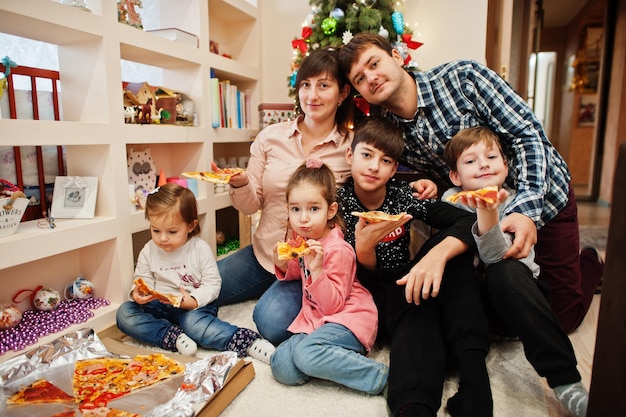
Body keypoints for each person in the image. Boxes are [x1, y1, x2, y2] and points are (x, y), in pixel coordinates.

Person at [337, 32, 604, 334]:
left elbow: (527, 135)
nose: (371, 77)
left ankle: (590, 261)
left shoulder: (464, 79)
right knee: (502, 310)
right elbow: (426, 173)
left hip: (542, 196)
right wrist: (430, 185)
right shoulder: (388, 128)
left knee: (561, 319)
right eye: (360, 78)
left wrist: (526, 210)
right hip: (486, 218)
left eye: (374, 64)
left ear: (397, 57)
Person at [337, 117, 491, 416]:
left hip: (401, 283)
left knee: (438, 277)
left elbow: (467, 221)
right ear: (350, 156)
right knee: (419, 313)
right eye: (366, 155)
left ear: (395, 169)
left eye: (385, 160)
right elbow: (340, 270)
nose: (373, 167)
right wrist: (364, 250)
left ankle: (460, 390)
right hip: (358, 290)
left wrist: (436, 255)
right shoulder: (337, 203)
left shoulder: (401, 197)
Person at [441, 126, 588, 417]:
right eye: (470, 161)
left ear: (506, 166)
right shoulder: (451, 199)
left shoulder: (518, 204)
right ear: (455, 177)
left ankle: (566, 382)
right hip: (471, 314)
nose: (483, 164)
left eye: (491, 157)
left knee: (505, 271)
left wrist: (488, 211)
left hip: (515, 301)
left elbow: (496, 256)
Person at [213, 47, 356, 345]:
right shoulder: (270, 137)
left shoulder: (352, 147)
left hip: (313, 266)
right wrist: (240, 183)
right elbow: (251, 203)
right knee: (202, 287)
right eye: (306, 84)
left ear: (343, 93)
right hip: (264, 254)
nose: (312, 95)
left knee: (271, 322)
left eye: (323, 85)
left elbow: (369, 191)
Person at [116, 183, 275, 362]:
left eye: (172, 231)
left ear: (191, 225)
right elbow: (143, 277)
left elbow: (213, 284)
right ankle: (171, 336)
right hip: (159, 304)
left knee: (195, 326)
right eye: (155, 230)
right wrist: (139, 292)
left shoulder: (199, 249)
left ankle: (247, 342)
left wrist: (194, 300)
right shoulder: (149, 249)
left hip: (192, 306)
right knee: (124, 313)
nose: (162, 238)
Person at [269, 159, 388, 395]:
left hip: (348, 319)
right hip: (315, 321)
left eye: (313, 209)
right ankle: (328, 357)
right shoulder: (302, 241)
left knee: (305, 354)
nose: (303, 218)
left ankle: (379, 376)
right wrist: (282, 263)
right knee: (280, 365)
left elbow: (333, 306)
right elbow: (299, 275)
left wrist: (318, 270)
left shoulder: (338, 250)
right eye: (296, 209)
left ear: (330, 210)